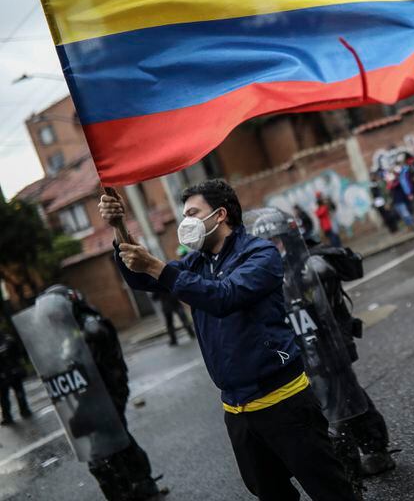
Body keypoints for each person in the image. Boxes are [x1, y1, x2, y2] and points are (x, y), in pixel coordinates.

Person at [99, 179, 359, 501]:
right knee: (270, 492)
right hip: (237, 410)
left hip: (284, 402)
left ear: (220, 215)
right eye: (184, 215)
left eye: (193, 213)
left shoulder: (260, 253)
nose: (186, 223)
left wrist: (157, 266)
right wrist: (118, 228)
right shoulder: (197, 262)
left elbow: (225, 296)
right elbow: (142, 278)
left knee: (329, 488)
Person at [251, 210, 396, 496]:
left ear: (288, 239)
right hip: (300, 354)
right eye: (267, 243)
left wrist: (317, 266)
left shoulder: (312, 264)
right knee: (338, 406)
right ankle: (367, 457)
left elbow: (342, 277)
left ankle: (358, 469)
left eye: (277, 241)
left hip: (330, 349)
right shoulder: (265, 274)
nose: (274, 248)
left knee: (341, 410)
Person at [42, 285, 162, 501]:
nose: (54, 317)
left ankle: (132, 487)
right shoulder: (72, 328)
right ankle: (140, 483)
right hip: (91, 394)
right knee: (117, 438)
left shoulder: (91, 325)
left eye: (57, 311)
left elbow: (95, 360)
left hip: (108, 391)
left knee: (105, 446)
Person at [0, 332, 31, 425]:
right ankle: (10, 415)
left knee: (16, 393)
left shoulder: (7, 339)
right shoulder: (8, 338)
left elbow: (17, 352)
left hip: (11, 371)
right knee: (5, 397)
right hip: (6, 372)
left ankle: (22, 411)